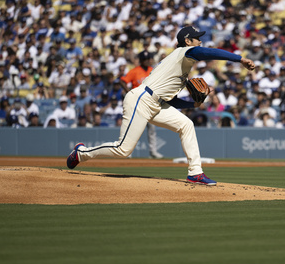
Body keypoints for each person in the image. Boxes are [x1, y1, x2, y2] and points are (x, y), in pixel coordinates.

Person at [67, 26, 255, 185]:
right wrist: (239, 59)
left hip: (156, 103)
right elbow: (207, 52)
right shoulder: (184, 52)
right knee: (123, 149)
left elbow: (170, 99)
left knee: (186, 125)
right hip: (141, 99)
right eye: (197, 39)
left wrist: (192, 104)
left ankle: (195, 172)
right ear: (188, 41)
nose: (200, 42)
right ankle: (81, 153)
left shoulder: (181, 68)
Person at [120, 50, 163, 158]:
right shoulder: (134, 71)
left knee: (152, 129)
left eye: (147, 59)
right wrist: (129, 92)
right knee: (132, 127)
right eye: (143, 59)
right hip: (137, 102)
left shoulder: (153, 71)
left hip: (149, 103)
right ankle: (127, 151)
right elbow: (122, 81)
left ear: (150, 59)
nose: (146, 61)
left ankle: (153, 152)